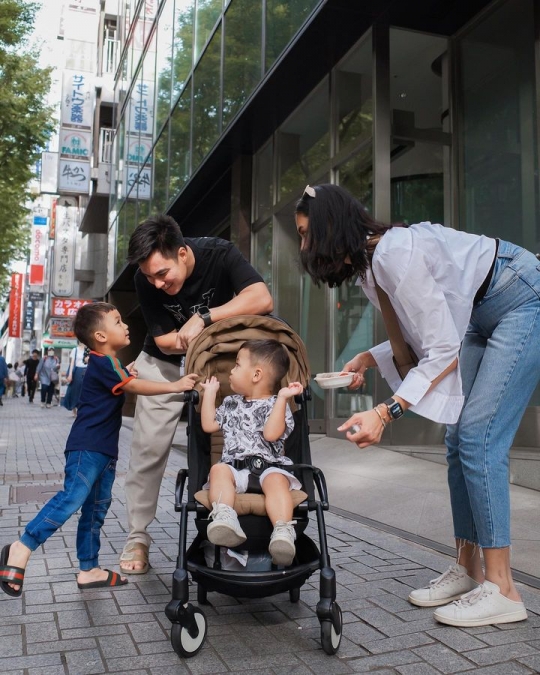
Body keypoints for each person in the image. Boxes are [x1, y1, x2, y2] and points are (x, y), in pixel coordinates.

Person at [295, 183, 540, 628]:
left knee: (478, 436)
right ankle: (468, 570)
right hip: (477, 313)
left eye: (305, 232)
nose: (303, 245)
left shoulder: (392, 253)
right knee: (456, 441)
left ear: (329, 227)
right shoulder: (371, 267)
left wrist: (385, 412)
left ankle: (503, 589)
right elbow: (421, 330)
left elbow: (442, 348)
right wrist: (373, 356)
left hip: (520, 297)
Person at [0, 302, 198, 597]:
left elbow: (122, 381)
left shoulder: (111, 364)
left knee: (95, 510)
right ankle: (21, 546)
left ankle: (89, 569)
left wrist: (127, 372)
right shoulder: (103, 363)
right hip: (87, 448)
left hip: (104, 451)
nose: (126, 326)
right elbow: (133, 387)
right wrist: (176, 386)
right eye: (118, 322)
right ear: (101, 337)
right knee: (72, 498)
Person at [119, 214, 273, 575]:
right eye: (150, 276)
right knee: (147, 450)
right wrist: (195, 334)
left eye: (163, 274)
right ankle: (137, 536)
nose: (157, 284)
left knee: (220, 445)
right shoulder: (146, 279)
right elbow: (164, 341)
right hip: (163, 366)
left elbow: (261, 297)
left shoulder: (218, 253)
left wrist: (203, 317)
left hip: (217, 366)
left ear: (184, 253)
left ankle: (217, 525)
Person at [200, 339, 303, 566]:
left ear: (256, 375)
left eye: (237, 365)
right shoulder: (230, 403)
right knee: (218, 470)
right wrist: (210, 392)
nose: (232, 371)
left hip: (269, 467)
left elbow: (271, 434)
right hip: (235, 469)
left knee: (277, 481)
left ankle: (283, 532)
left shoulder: (278, 404)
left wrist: (284, 398)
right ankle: (225, 518)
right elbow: (209, 425)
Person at [62, 341, 88, 416]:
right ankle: (74, 408)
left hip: (86, 370)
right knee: (74, 390)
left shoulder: (89, 350)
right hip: (77, 371)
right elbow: (72, 363)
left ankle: (81, 409)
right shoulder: (75, 350)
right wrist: (70, 375)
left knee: (84, 390)